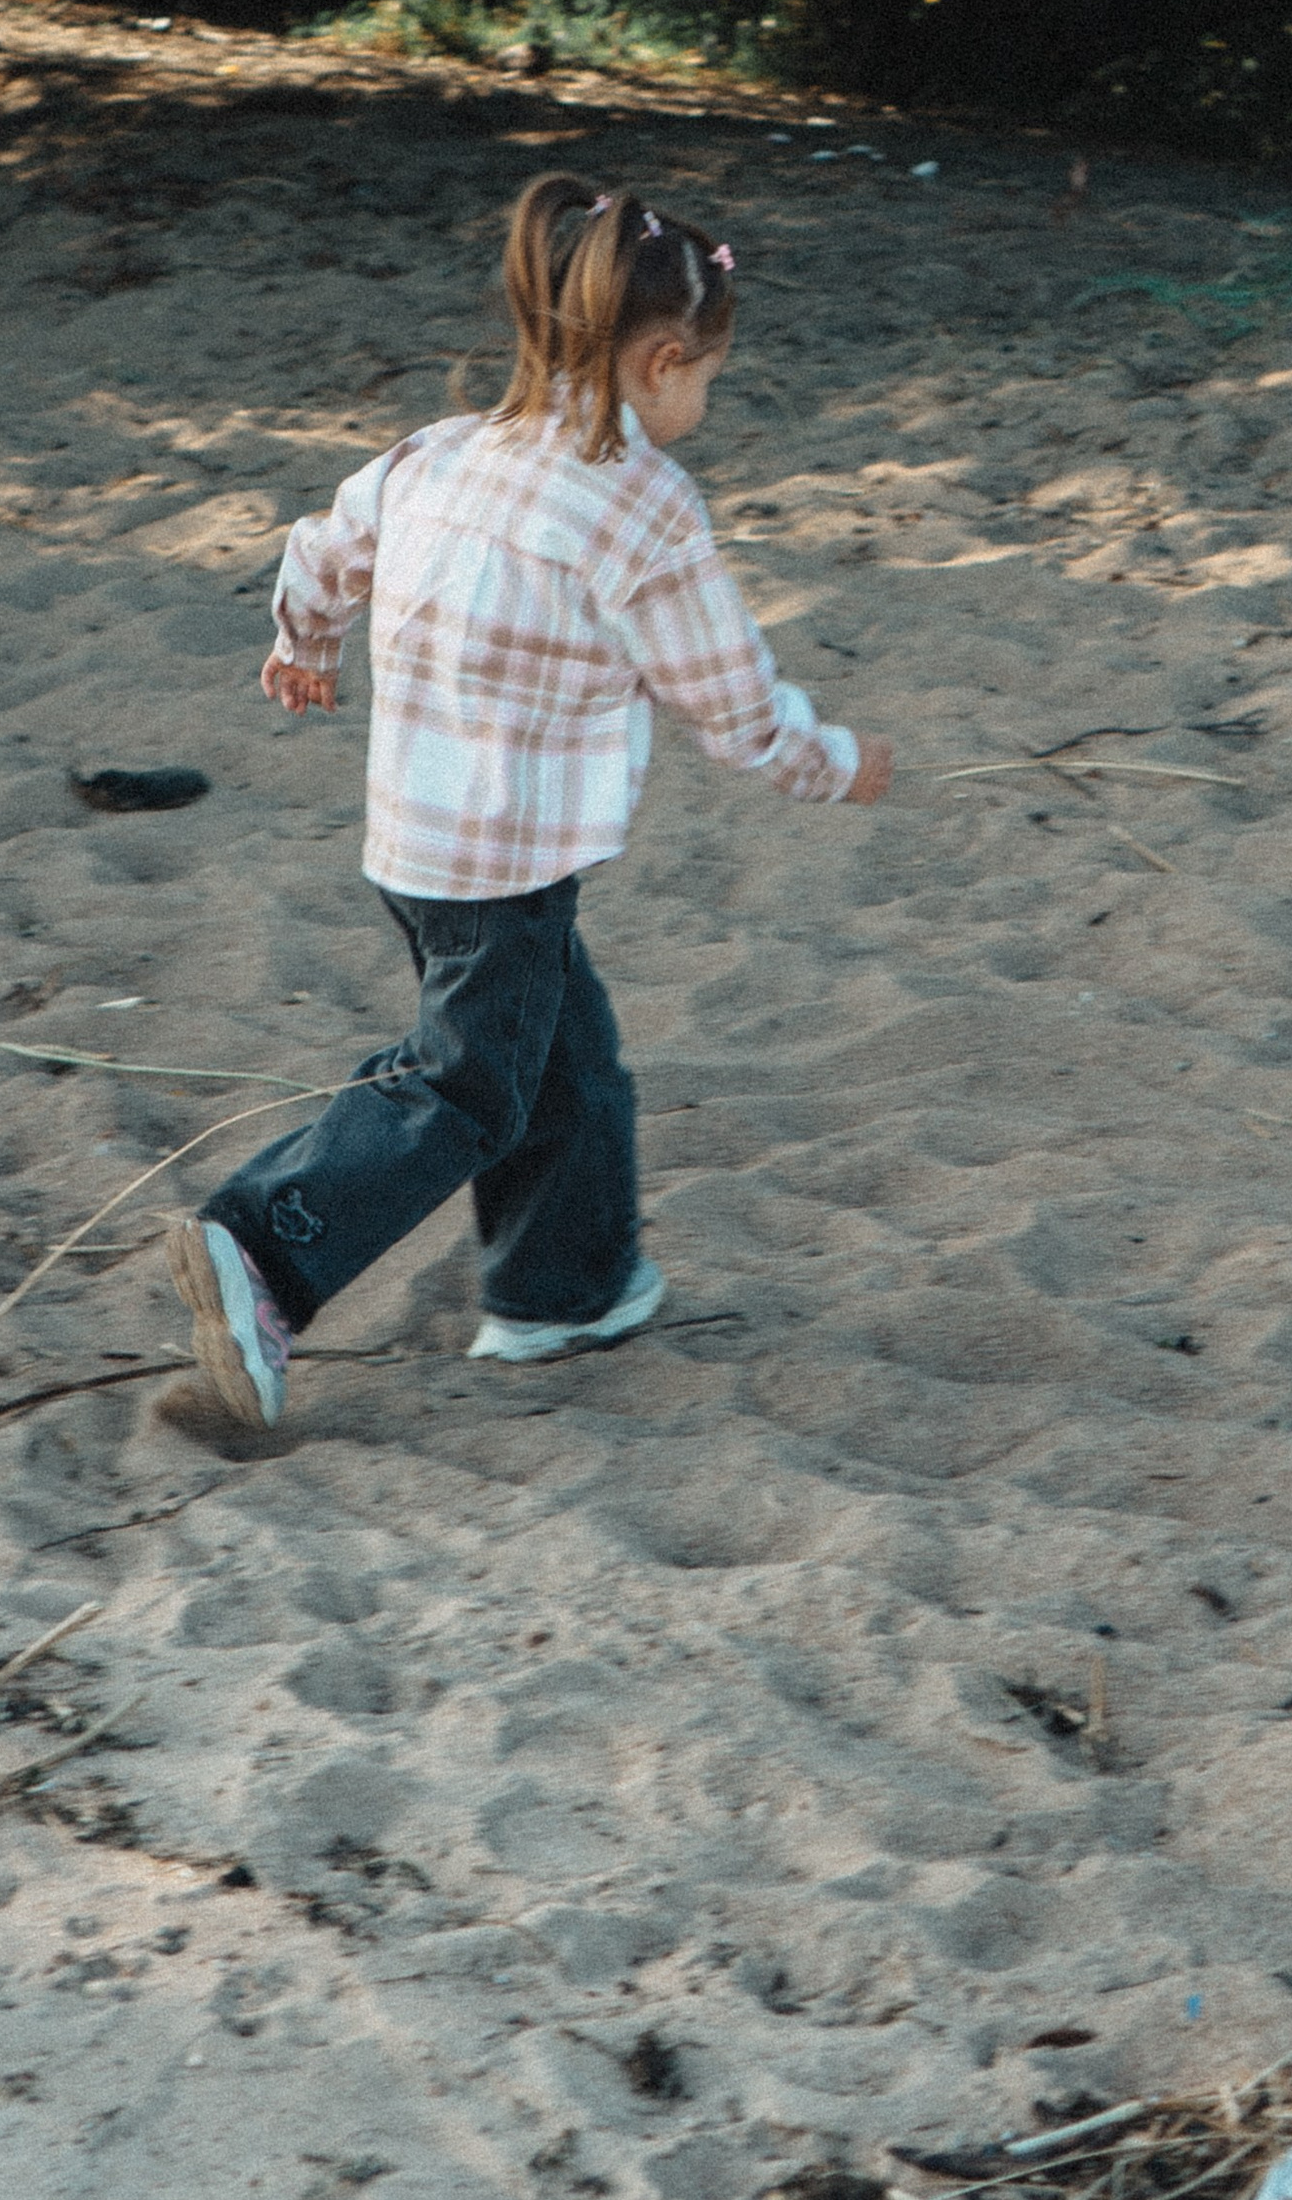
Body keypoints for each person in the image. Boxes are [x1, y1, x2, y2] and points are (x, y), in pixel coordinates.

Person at [166, 175, 893, 1426]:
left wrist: (307, 641)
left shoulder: (442, 453)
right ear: (662, 360)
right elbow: (729, 703)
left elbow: (322, 549)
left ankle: (566, 1287)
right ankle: (267, 1247)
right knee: (464, 1090)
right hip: (502, 860)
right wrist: (828, 760)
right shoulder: (644, 508)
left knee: (566, 1059)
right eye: (706, 377)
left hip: (413, 835)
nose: (701, 403)